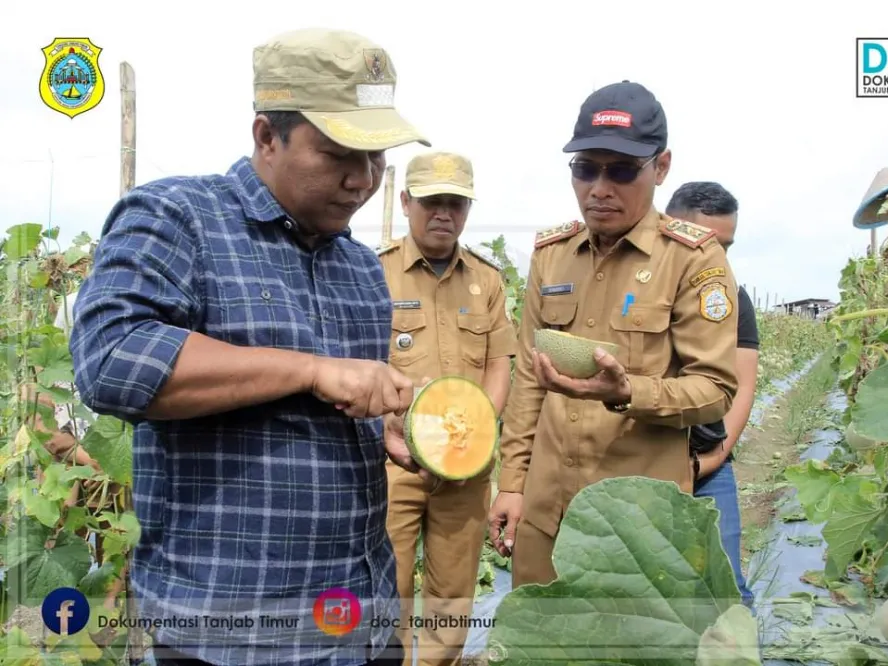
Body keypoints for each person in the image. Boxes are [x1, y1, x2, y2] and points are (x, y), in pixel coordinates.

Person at [69, 29, 434, 666]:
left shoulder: (361, 268)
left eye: (377, 156)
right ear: (267, 135)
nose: (363, 178)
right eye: (340, 153)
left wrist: (387, 429)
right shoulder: (178, 216)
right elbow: (112, 361)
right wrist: (312, 370)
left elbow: (325, 407)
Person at [487, 80, 740, 588]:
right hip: (547, 513)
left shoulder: (692, 259)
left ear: (661, 167)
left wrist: (631, 393)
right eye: (585, 169)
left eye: (622, 170)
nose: (599, 188)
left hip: (638, 525)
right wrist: (512, 484)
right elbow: (529, 382)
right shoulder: (552, 255)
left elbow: (716, 390)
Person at [377, 151, 518, 666]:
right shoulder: (376, 272)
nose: (444, 213)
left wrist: (481, 427)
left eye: (456, 203)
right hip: (395, 463)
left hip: (467, 466)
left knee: (453, 594)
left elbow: (500, 364)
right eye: (433, 201)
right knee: (385, 584)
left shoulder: (487, 280)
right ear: (407, 201)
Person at [665, 181, 759, 609]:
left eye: (726, 246)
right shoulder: (638, 287)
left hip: (705, 464)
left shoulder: (731, 299)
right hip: (641, 464)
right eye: (706, 242)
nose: (716, 257)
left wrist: (716, 457)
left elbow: (742, 385)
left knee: (727, 590)